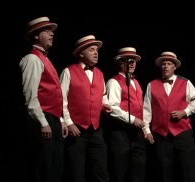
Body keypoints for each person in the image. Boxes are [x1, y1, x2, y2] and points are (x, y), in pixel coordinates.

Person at [19, 16, 68, 182]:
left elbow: (55, 94)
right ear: (35, 35)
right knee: (42, 168)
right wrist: (43, 122)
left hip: (52, 119)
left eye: (52, 31)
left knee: (55, 168)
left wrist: (60, 119)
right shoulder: (32, 59)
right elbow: (30, 96)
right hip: (42, 119)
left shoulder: (46, 59)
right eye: (47, 31)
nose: (51, 34)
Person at [142, 51, 195, 182]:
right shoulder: (151, 85)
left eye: (169, 63)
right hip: (161, 134)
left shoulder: (186, 83)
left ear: (175, 67)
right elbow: (146, 110)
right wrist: (146, 130)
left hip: (183, 133)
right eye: (163, 64)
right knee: (164, 173)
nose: (166, 66)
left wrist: (184, 112)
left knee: (188, 171)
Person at [60, 35, 111, 182]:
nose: (96, 53)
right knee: (77, 173)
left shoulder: (100, 74)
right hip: (76, 130)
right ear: (81, 53)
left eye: (97, 50)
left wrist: (104, 105)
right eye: (91, 50)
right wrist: (69, 123)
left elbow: (102, 95)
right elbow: (61, 99)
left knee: (101, 172)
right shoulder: (68, 71)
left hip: (95, 130)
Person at [104, 47, 146, 182]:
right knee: (120, 171)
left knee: (138, 171)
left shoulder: (136, 82)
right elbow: (112, 108)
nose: (132, 63)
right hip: (120, 133)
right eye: (129, 61)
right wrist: (133, 119)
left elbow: (140, 107)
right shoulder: (114, 82)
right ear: (121, 63)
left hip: (137, 134)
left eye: (134, 60)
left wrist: (145, 129)